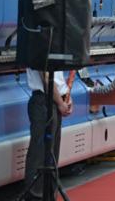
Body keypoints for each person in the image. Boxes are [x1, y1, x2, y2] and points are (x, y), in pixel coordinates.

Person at [23, 68, 71, 199]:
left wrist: (66, 95)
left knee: (52, 154)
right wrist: (60, 102)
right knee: (39, 155)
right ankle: (35, 196)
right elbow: (46, 77)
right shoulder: (40, 52)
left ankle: (49, 195)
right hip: (44, 100)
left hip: (55, 99)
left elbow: (58, 76)